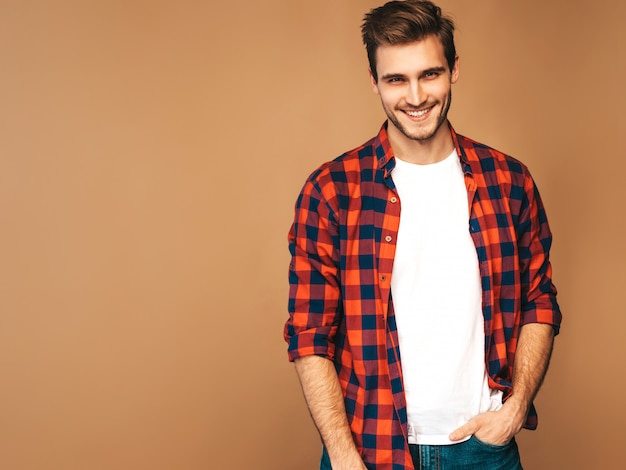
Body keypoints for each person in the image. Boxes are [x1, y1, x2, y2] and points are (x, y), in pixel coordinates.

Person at [283, 1, 562, 468]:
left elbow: (540, 300)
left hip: (482, 449)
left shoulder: (508, 181)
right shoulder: (333, 190)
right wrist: (343, 456)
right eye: (396, 79)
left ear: (454, 70)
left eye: (429, 74)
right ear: (374, 82)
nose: (415, 96)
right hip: (368, 450)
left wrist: (514, 410)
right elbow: (309, 335)